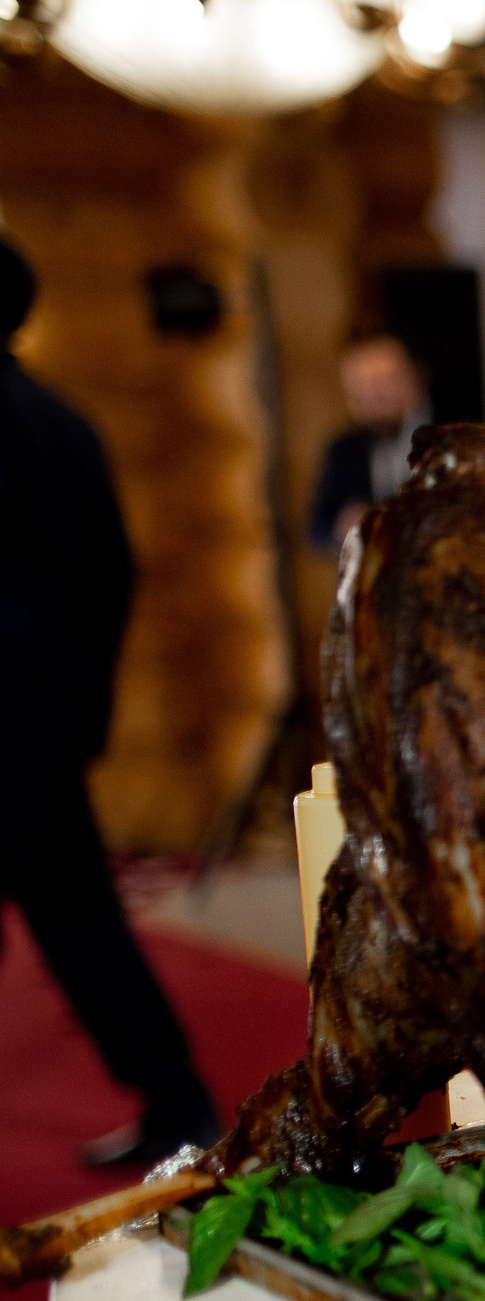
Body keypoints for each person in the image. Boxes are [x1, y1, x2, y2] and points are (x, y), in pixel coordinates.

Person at [0, 236, 222, 1170]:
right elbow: (111, 579)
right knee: (81, 920)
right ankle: (178, 1099)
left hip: (9, 725)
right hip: (44, 722)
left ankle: (181, 1100)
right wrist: (80, 699)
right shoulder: (61, 420)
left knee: (78, 922)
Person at [306, 335, 430, 555]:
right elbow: (315, 530)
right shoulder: (344, 448)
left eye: (384, 382)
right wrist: (341, 526)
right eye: (361, 386)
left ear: (414, 379)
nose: (374, 396)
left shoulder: (453, 438)